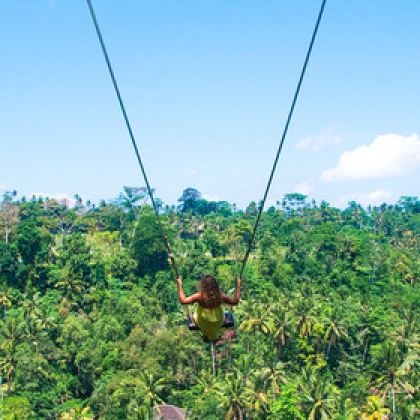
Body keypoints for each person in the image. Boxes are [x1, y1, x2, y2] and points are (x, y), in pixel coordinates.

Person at [176, 275, 241, 342]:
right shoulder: (220, 295)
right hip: (218, 322)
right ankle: (213, 336)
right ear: (215, 285)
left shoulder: (199, 296)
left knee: (198, 317)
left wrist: (179, 285)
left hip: (203, 322)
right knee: (222, 317)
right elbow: (235, 302)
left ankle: (206, 334)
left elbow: (183, 301)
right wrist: (238, 285)